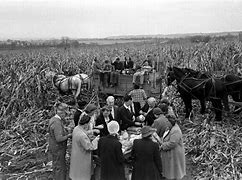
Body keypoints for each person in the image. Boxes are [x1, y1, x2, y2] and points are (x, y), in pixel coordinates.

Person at [69, 114, 100, 180]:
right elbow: (89, 147)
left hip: (76, 153)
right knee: (83, 174)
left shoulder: (76, 128)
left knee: (76, 172)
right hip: (83, 156)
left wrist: (92, 131)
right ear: (86, 124)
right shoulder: (82, 136)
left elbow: (84, 132)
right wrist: (96, 140)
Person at [48, 102, 72, 180]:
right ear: (62, 113)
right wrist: (68, 135)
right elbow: (59, 139)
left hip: (54, 147)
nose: (66, 116)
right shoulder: (57, 122)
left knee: (56, 165)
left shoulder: (53, 119)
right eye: (65, 114)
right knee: (60, 167)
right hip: (58, 148)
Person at [160, 115, 186, 180]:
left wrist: (162, 146)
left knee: (175, 168)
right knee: (172, 168)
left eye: (167, 121)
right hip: (171, 153)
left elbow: (173, 143)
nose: (165, 123)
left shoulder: (176, 130)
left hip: (175, 153)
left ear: (170, 122)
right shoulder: (170, 128)